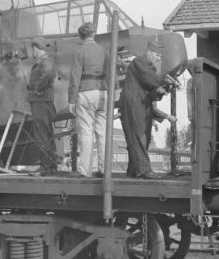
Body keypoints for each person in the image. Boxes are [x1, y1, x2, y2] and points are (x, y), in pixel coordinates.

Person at [119, 39, 176, 179]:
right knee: (139, 135)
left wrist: (160, 91)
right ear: (149, 52)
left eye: (159, 57)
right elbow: (149, 79)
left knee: (143, 136)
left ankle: (133, 170)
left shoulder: (152, 69)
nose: (158, 59)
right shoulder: (139, 62)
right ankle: (144, 170)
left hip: (143, 104)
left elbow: (152, 92)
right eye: (157, 55)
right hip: (132, 103)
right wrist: (164, 83)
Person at [68, 21, 108, 178]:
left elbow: (75, 77)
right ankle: (104, 170)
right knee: (103, 133)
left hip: (86, 91)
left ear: (80, 36)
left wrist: (71, 100)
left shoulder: (80, 51)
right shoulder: (104, 51)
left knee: (86, 131)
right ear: (94, 34)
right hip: (103, 92)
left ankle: (85, 170)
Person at [27, 36, 58, 176]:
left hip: (40, 102)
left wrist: (37, 89)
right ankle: (51, 166)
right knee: (47, 133)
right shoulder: (45, 62)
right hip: (44, 102)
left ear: (35, 48)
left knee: (41, 134)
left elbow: (48, 74)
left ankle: (45, 167)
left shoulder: (45, 62)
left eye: (32, 49)